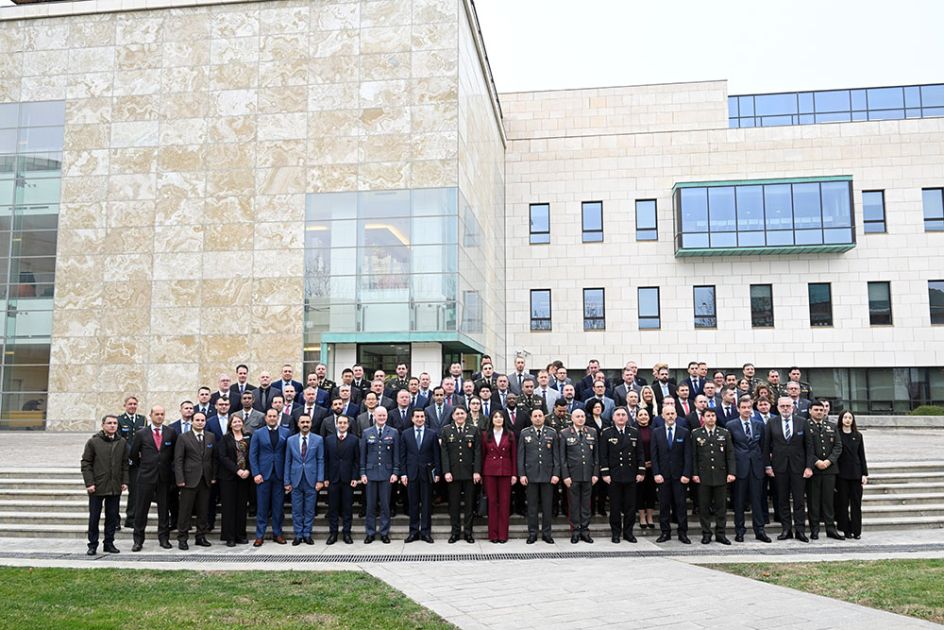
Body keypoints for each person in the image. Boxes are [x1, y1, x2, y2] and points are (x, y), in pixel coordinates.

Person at [129, 405, 177, 551]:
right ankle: (138, 540)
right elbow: (133, 454)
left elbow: (174, 454)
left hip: (164, 478)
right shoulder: (141, 433)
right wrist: (145, 466)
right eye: (157, 414)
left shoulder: (170, 432)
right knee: (141, 510)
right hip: (146, 477)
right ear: (150, 415)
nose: (159, 416)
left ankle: (164, 538)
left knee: (164, 510)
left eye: (162, 414)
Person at [766, 397, 812, 542]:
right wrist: (768, 465)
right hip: (779, 467)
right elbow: (766, 446)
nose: (785, 408)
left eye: (788, 406)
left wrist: (809, 466)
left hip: (798, 467)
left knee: (799, 500)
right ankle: (786, 529)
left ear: (793, 407)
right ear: (778, 408)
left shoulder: (802, 422)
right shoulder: (771, 422)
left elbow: (809, 446)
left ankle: (800, 530)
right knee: (782, 500)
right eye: (782, 406)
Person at [81, 415, 129, 555]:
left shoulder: (122, 442)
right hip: (97, 486)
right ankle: (92, 544)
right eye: (109, 423)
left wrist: (125, 481)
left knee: (112, 517)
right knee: (94, 517)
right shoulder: (93, 442)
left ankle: (109, 543)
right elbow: (86, 463)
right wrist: (89, 483)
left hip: (114, 486)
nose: (112, 425)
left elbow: (125, 464)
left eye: (115, 423)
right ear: (103, 425)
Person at [726, 398, 771, 543]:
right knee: (739, 501)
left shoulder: (759, 425)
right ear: (738, 409)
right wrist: (731, 470)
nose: (746, 410)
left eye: (749, 407)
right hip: (740, 468)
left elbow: (763, 447)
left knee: (757, 500)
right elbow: (729, 449)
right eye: (743, 407)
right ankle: (739, 530)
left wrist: (765, 465)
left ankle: (760, 530)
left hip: (756, 467)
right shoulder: (731, 425)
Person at [599, 407, 645, 543]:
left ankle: (628, 533)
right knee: (615, 507)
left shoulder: (634, 432)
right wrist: (605, 473)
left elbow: (640, 453)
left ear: (627, 417)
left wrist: (641, 471)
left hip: (631, 474)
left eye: (623, 415)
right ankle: (616, 533)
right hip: (614, 475)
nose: (621, 417)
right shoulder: (607, 433)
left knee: (630, 507)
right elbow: (603, 455)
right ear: (613, 418)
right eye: (618, 415)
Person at [690, 408, 735, 545]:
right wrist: (694, 473)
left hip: (720, 475)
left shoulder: (724, 433)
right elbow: (693, 456)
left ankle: (721, 534)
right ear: (703, 418)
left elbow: (730, 454)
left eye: (713, 415)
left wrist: (731, 472)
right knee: (704, 507)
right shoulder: (696, 433)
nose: (711, 418)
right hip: (703, 476)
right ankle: (706, 533)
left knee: (721, 507)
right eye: (708, 416)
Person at [174, 411, 217, 550]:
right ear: (192, 421)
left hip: (205, 480)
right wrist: (180, 479)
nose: (200, 422)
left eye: (202, 420)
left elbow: (213, 459)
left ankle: (201, 536)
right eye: (197, 420)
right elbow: (178, 460)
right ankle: (182, 538)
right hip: (188, 480)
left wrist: (213, 477)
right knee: (185, 511)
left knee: (203, 510)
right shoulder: (183, 437)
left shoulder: (210, 437)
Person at [518, 408, 560, 544]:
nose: (537, 418)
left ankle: (547, 533)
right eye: (535, 416)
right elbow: (521, 455)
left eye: (540, 415)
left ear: (544, 417)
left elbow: (556, 455)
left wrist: (556, 474)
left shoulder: (552, 432)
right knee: (532, 507)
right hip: (531, 475)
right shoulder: (524, 433)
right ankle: (532, 533)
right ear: (531, 418)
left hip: (548, 475)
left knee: (547, 507)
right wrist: (522, 474)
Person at [440, 407, 482, 543]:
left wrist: (477, 471)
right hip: (453, 474)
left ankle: (468, 533)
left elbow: (477, 452)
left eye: (462, 413)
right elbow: (444, 453)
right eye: (457, 413)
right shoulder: (446, 430)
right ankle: (455, 532)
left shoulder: (473, 430)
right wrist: (446, 471)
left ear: (466, 415)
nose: (459, 416)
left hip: (470, 474)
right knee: (454, 505)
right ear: (453, 416)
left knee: (469, 505)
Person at [249, 409, 289, 547]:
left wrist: (287, 477)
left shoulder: (286, 432)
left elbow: (288, 455)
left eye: (274, 416)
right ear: (265, 418)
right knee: (262, 507)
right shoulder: (258, 433)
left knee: (278, 507)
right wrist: (256, 473)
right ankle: (260, 535)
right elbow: (252, 455)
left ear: (278, 418)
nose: (272, 418)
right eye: (270, 416)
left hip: (279, 475)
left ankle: (277, 533)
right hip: (263, 475)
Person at [651, 406, 691, 544]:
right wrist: (656, 473)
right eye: (667, 414)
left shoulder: (684, 432)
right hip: (663, 476)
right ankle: (665, 532)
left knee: (681, 505)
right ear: (662, 416)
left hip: (679, 476)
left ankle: (683, 533)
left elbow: (688, 455)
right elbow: (654, 455)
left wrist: (686, 473)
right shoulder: (656, 432)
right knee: (664, 505)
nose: (670, 416)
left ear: (676, 415)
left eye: (672, 413)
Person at [400, 409, 440, 543]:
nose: (420, 419)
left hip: (427, 474)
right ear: (412, 419)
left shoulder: (432, 434)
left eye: (422, 416)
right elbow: (403, 455)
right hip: (411, 474)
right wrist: (403, 473)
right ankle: (413, 532)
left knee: (427, 504)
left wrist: (437, 472)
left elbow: (436, 455)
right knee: (413, 504)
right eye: (417, 417)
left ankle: (425, 532)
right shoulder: (405, 434)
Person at [360, 406, 399, 544]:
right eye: (379, 415)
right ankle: (370, 533)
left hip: (386, 474)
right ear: (374, 416)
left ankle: (384, 532)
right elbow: (363, 454)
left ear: (387, 416)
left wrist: (395, 472)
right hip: (370, 474)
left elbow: (396, 454)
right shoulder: (366, 432)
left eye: (384, 415)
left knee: (385, 506)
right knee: (370, 506)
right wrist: (363, 473)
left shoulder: (393, 432)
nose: (382, 417)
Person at [283, 415, 325, 546]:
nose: (305, 424)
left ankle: (307, 534)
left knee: (309, 509)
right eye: (302, 422)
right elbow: (287, 461)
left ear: (311, 423)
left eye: (307, 422)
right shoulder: (290, 440)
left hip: (311, 479)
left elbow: (320, 460)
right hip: (295, 479)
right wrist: (286, 481)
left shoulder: (318, 440)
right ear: (298, 424)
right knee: (296, 509)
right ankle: (298, 534)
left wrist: (320, 480)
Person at [805, 400, 844, 540]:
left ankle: (830, 528)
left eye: (821, 410)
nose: (819, 412)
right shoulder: (805, 426)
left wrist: (828, 461)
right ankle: (814, 529)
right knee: (813, 501)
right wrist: (816, 461)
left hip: (829, 469)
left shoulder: (832, 426)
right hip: (813, 469)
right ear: (810, 411)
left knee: (828, 501)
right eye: (816, 410)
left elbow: (838, 446)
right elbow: (805, 447)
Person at [559, 409, 599, 544]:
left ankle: (585, 531)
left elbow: (596, 456)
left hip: (588, 474)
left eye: (582, 416)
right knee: (574, 505)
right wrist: (565, 476)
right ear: (572, 418)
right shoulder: (564, 433)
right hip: (572, 475)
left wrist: (595, 474)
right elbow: (562, 457)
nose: (581, 418)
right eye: (577, 416)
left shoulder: (592, 432)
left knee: (586, 505)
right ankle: (575, 531)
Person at [324, 414, 359, 545]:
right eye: (340, 423)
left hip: (348, 479)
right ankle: (333, 533)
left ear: (348, 425)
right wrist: (325, 477)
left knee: (347, 508)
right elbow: (325, 460)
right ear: (336, 424)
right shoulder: (328, 440)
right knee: (333, 508)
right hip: (333, 479)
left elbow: (356, 461)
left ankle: (347, 533)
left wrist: (355, 477)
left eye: (345, 423)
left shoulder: (354, 440)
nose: (342, 425)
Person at [482, 409, 516, 543]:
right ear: (491, 420)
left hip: (505, 471)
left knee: (504, 503)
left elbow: (514, 456)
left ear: (504, 419)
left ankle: (503, 535)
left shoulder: (510, 435)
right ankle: (493, 535)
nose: (498, 419)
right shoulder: (485, 435)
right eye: (495, 417)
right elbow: (482, 455)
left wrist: (514, 474)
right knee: (492, 503)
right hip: (489, 472)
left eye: (500, 417)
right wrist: (480, 473)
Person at [217, 415, 252, 547]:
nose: (237, 423)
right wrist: (237, 470)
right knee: (228, 507)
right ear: (230, 424)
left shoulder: (248, 437)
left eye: (239, 421)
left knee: (241, 507)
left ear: (242, 423)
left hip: (244, 477)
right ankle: (229, 537)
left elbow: (252, 455)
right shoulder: (225, 438)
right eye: (234, 422)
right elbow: (223, 457)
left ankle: (240, 535)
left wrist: (248, 470)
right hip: (229, 477)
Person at [835, 411, 869, 540]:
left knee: (856, 504)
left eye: (850, 417)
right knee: (843, 503)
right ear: (841, 419)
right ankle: (846, 529)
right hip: (842, 474)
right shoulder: (836, 434)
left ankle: (856, 530)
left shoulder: (858, 435)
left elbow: (862, 455)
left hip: (856, 473)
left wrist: (864, 474)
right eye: (845, 417)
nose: (848, 420)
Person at [117, 396, 147, 529]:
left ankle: (131, 519)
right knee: (116, 493)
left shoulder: (142, 419)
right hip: (122, 460)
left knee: (135, 492)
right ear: (125, 405)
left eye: (135, 404)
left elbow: (145, 438)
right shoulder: (119, 420)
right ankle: (115, 521)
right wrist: (132, 452)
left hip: (136, 463)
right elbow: (120, 439)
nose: (132, 406)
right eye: (130, 404)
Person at [635, 408, 657, 531]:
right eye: (640, 415)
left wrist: (653, 462)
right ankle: (642, 517)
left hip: (652, 466)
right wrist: (642, 464)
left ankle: (650, 517)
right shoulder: (634, 431)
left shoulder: (654, 431)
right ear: (636, 417)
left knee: (651, 492)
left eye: (645, 414)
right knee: (640, 492)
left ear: (649, 417)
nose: (643, 416)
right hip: (639, 467)